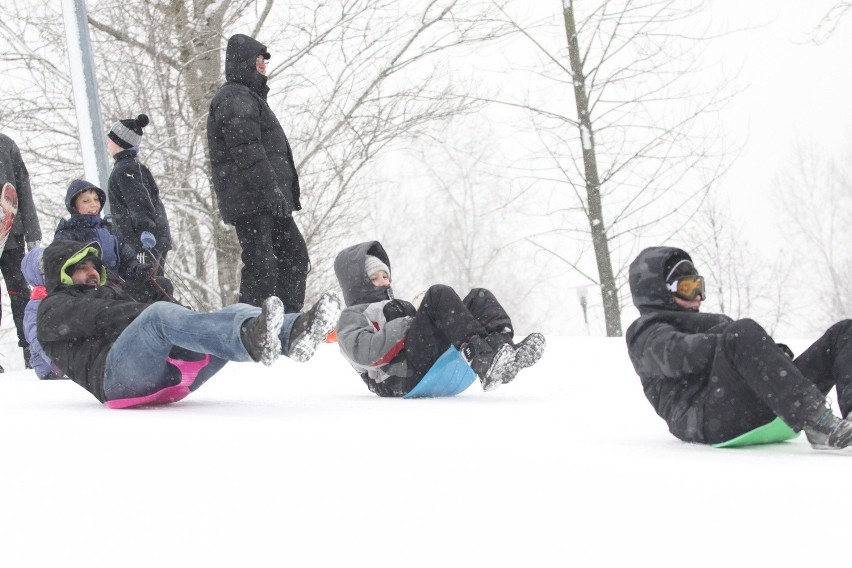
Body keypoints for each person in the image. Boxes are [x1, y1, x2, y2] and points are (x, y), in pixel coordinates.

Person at [36, 239, 342, 406]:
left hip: (169, 374)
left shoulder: (110, 294)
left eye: (94, 266)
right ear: (62, 274)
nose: (91, 272)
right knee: (156, 316)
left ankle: (294, 332)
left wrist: (155, 290)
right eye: (81, 268)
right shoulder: (53, 308)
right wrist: (151, 309)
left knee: (232, 311)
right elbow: (104, 318)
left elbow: (129, 312)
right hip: (116, 381)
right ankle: (253, 340)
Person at [626, 245, 852, 451]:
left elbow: (733, 354)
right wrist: (735, 341)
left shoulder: (718, 325)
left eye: (699, 287)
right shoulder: (645, 332)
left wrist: (771, 356)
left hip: (770, 406)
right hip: (707, 419)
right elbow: (679, 355)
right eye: (687, 288)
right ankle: (818, 420)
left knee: (844, 333)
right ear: (660, 293)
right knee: (742, 331)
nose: (698, 297)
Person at [333, 241, 546, 397]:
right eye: (374, 278)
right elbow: (367, 355)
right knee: (438, 294)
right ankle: (481, 358)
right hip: (398, 378)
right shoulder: (351, 316)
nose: (383, 282)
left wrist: (417, 317)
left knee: (479, 297)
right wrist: (410, 322)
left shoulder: (397, 305)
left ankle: (503, 353)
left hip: (418, 361)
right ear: (358, 283)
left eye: (385, 276)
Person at [207, 33, 309, 313]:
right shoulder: (234, 98)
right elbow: (247, 150)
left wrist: (278, 193)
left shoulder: (249, 97)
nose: (263, 65)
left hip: (267, 198)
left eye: (264, 60)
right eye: (258, 60)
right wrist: (271, 191)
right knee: (262, 263)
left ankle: (286, 321)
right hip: (252, 200)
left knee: (294, 256)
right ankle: (249, 325)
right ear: (244, 62)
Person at [54, 179, 172, 303]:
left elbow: (127, 260)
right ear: (74, 206)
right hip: (92, 294)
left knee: (162, 285)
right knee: (134, 303)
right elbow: (64, 271)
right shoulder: (67, 234)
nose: (94, 204)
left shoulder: (109, 229)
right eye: (86, 201)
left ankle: (183, 317)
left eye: (96, 199)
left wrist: (138, 270)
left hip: (117, 287)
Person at [106, 113, 172, 275]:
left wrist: (145, 230)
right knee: (153, 286)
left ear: (120, 142)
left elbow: (139, 202)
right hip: (153, 238)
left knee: (146, 287)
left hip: (143, 241)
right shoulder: (133, 166)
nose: (107, 143)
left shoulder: (125, 169)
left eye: (111, 139)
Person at [0, 132, 42, 371]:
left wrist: (32, 234)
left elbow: (22, 189)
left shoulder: (6, 145)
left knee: (19, 292)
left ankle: (31, 349)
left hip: (11, 234)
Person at [21, 246, 63, 379]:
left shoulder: (60, 295)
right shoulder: (35, 305)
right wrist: (55, 361)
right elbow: (36, 336)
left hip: (65, 362)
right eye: (46, 270)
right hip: (49, 368)